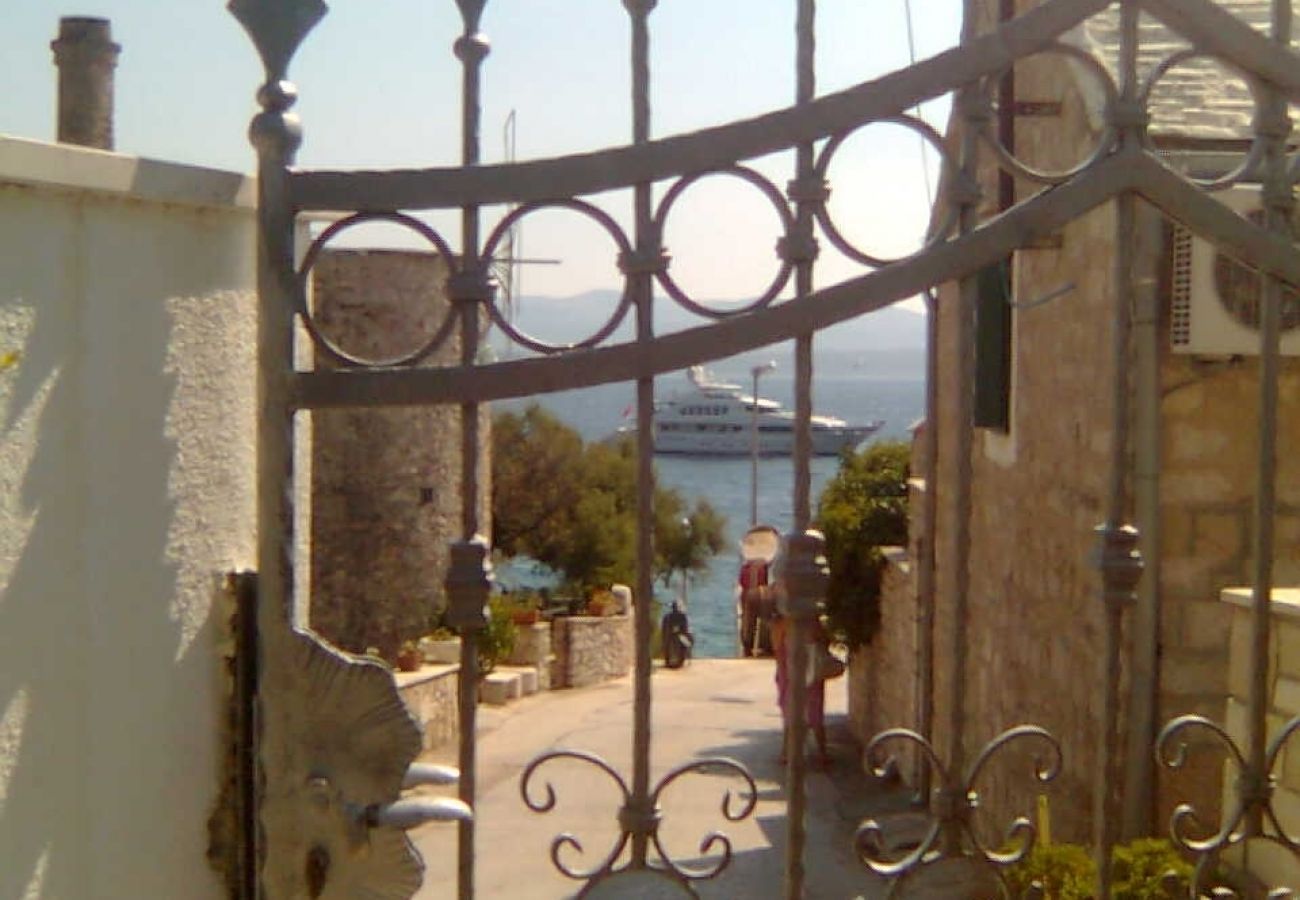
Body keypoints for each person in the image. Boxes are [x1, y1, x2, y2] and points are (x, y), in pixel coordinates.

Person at [770, 613, 830, 768]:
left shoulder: (780, 624)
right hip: (809, 672)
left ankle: (786, 752)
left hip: (788, 673)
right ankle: (821, 753)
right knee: (815, 713)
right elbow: (821, 641)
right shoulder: (811, 621)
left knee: (790, 713)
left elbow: (777, 650)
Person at [661, 600, 693, 669]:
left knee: (687, 640)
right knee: (687, 641)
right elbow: (685, 629)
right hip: (674, 637)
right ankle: (680, 659)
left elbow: (664, 630)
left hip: (671, 637)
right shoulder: (681, 617)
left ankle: (676, 660)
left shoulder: (668, 617)